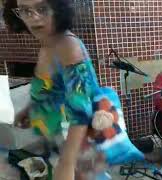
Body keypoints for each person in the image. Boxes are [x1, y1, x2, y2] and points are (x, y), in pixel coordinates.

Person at [3, 0, 103, 179]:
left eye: (41, 8)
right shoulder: (49, 45)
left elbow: (82, 111)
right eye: (25, 10)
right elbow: (51, 90)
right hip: (57, 143)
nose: (33, 17)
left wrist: (66, 164)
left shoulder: (68, 47)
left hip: (78, 148)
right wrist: (29, 111)